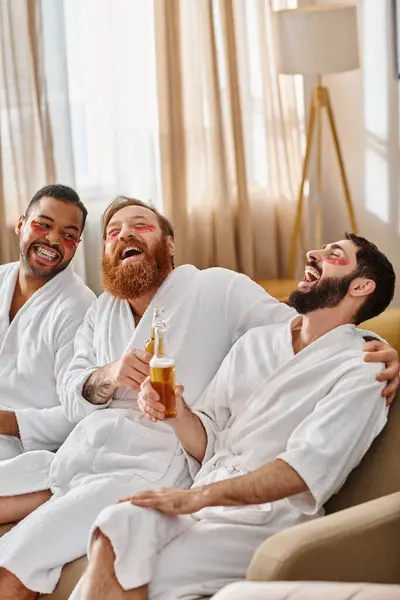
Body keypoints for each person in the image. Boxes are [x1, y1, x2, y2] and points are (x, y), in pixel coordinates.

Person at [0, 197, 396, 599]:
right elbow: (75, 395)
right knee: (110, 528)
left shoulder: (217, 289)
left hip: (157, 469)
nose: (126, 235)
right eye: (113, 233)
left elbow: (318, 333)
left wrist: (376, 342)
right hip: (90, 458)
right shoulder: (105, 312)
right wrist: (130, 384)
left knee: (21, 560)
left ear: (170, 244)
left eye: (142, 225)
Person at [0, 184, 95, 463]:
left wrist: (6, 422)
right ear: (21, 225)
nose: (53, 240)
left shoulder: (79, 308)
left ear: (76, 246)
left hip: (26, 450)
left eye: (68, 235)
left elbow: (78, 411)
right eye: (43, 225)